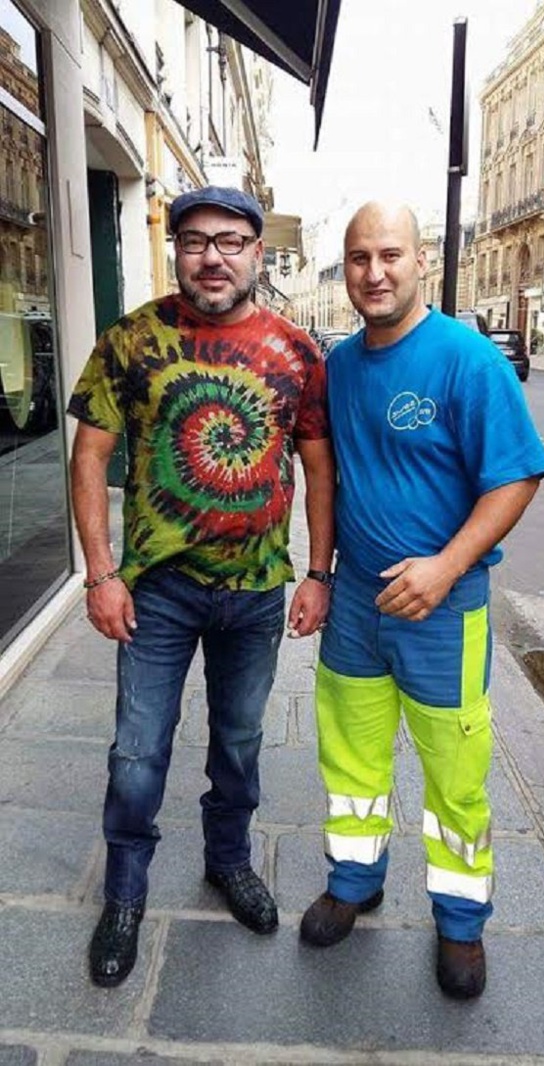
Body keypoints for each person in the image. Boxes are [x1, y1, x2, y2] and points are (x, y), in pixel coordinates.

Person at [68, 185, 335, 988]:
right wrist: (100, 574)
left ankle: (228, 863)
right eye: (193, 241)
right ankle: (123, 894)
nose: (211, 256)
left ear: (258, 253)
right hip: (157, 592)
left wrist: (318, 572)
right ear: (176, 249)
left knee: (241, 744)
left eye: (229, 240)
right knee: (135, 751)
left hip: (255, 593)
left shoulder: (297, 350)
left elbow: (319, 469)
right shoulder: (131, 339)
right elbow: (88, 458)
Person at [300, 202, 544, 1000]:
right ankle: (354, 878)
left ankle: (459, 922)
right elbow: (330, 475)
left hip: (444, 611)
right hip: (355, 608)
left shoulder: (466, 360)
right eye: (357, 258)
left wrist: (444, 567)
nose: (373, 273)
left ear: (420, 262)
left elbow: (515, 476)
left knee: (453, 776)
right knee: (351, 760)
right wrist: (319, 572)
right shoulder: (338, 366)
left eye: (390, 255)